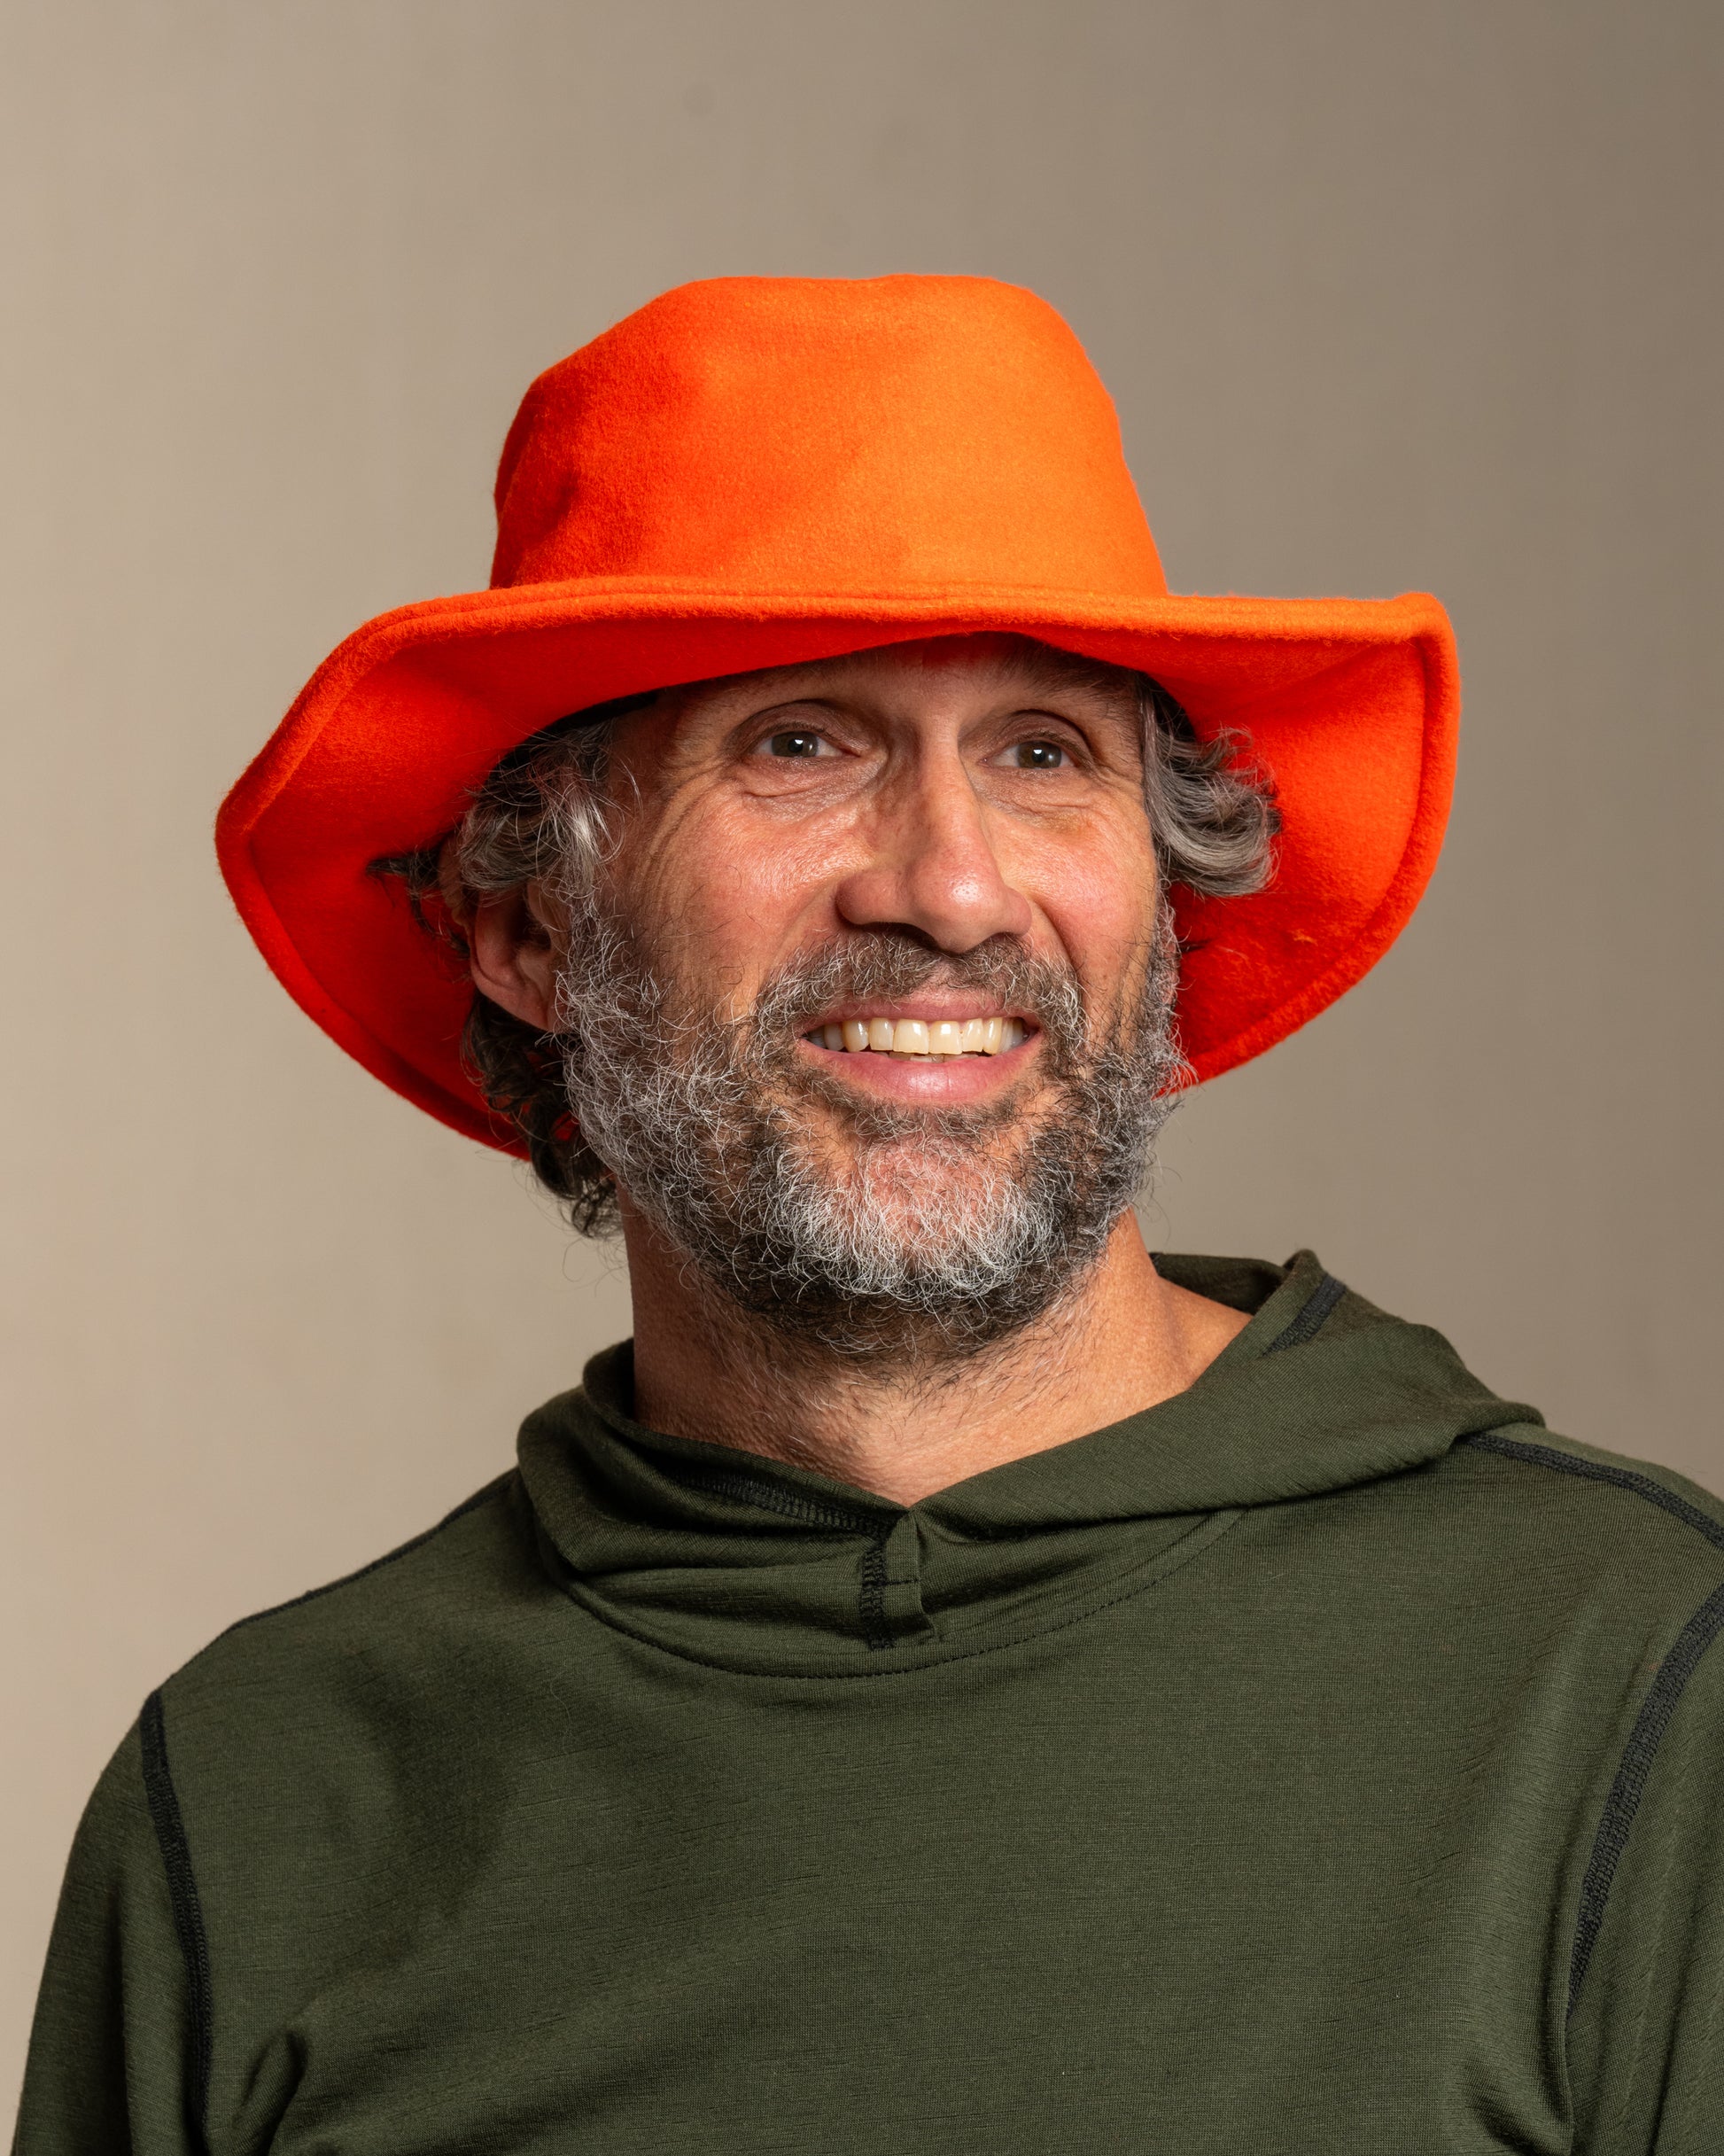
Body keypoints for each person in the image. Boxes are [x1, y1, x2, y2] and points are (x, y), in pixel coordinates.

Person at [15, 276, 1723, 2156]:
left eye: (1043, 751)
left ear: (1166, 901)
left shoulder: (1628, 1677)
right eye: (801, 745)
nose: (952, 886)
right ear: (530, 930)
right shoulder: (261, 1796)